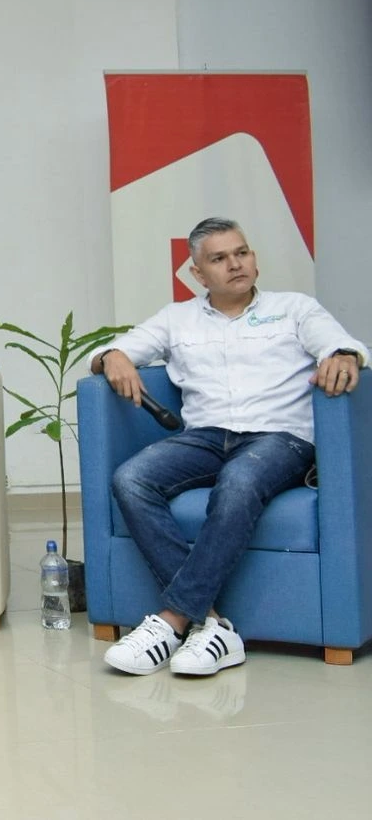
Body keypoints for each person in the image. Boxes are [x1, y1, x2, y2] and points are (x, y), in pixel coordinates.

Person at [93, 217, 367, 676]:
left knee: (238, 483)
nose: (235, 264)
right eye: (219, 258)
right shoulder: (176, 317)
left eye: (241, 253)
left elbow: (341, 345)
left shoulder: (295, 309)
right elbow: (113, 351)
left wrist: (343, 355)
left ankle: (174, 618)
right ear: (198, 274)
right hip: (204, 436)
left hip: (279, 438)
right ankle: (215, 627)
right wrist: (112, 356)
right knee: (131, 479)